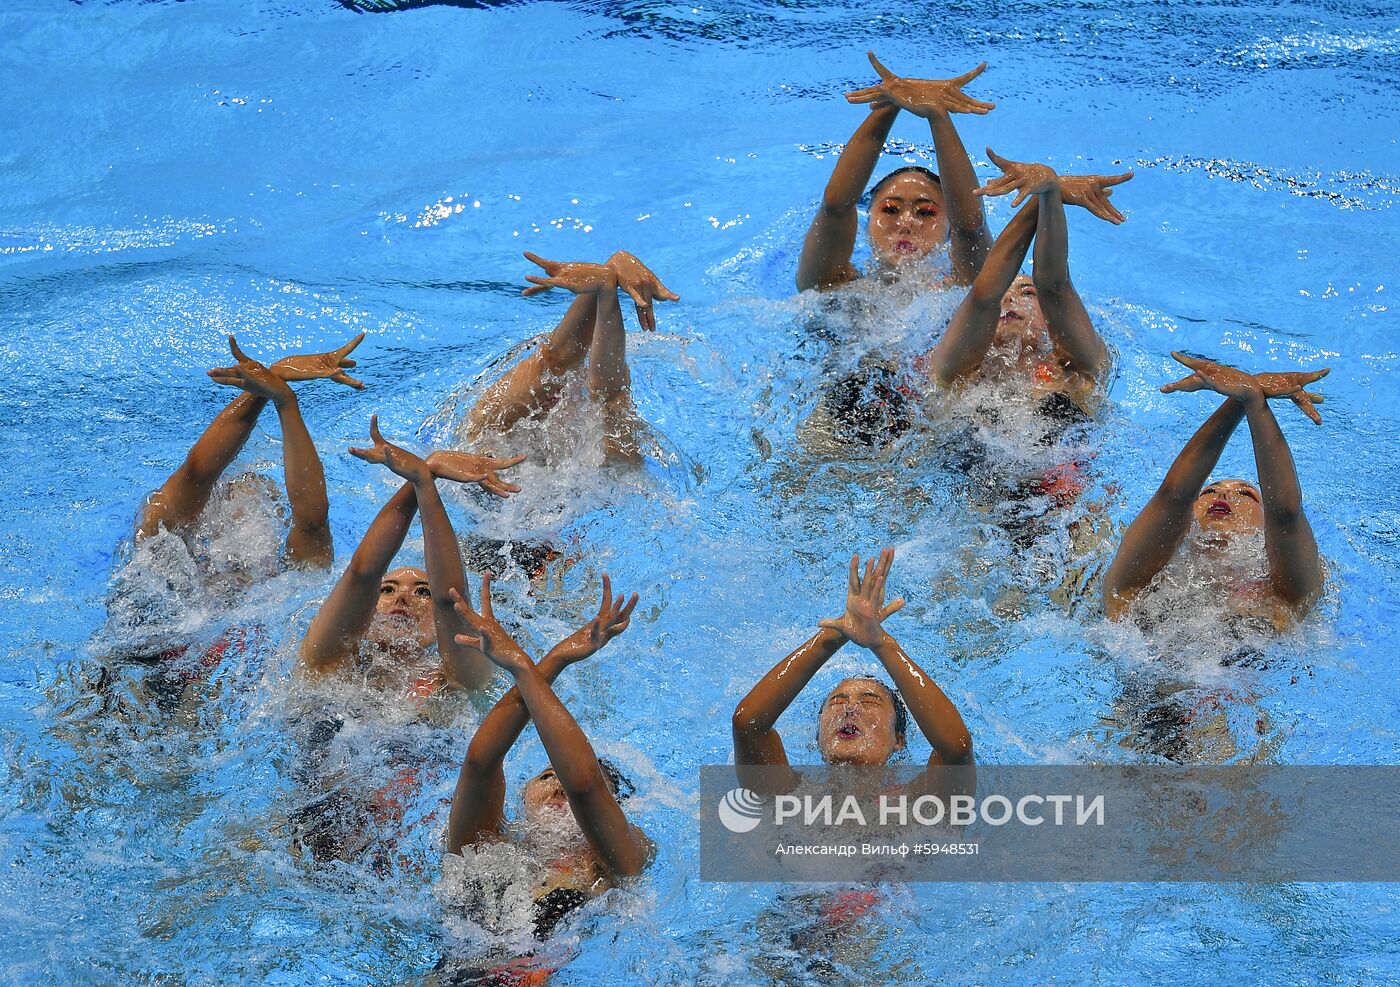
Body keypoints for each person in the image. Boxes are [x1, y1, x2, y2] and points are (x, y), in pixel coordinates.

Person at [444, 572, 647, 941]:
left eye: (562, 777)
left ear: (614, 809)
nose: (558, 788)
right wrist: (552, 660)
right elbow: (479, 765)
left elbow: (584, 785)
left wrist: (522, 664)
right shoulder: (489, 852)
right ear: (522, 796)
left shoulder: (617, 865)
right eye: (545, 777)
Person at [298, 416, 526, 695]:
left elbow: (450, 598)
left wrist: (425, 482)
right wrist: (424, 471)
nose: (402, 598)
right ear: (366, 608)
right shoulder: (329, 665)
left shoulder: (461, 681)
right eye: (386, 589)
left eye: (423, 592)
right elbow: (362, 575)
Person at [1101, 354, 1329, 630]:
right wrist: (1241, 397)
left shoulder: (1281, 598)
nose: (1222, 496)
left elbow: (1286, 511)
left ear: (1265, 525)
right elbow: (1174, 495)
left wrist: (1254, 403)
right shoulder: (1144, 582)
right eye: (1207, 491)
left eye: (1246, 495)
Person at [731, 548, 973, 795]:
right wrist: (836, 633)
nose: (850, 708)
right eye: (837, 701)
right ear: (818, 738)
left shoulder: (923, 804)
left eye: (870, 701)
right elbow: (748, 725)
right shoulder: (787, 797)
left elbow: (956, 749)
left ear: (898, 739)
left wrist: (882, 644)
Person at [923, 151, 1131, 417]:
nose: (1009, 300)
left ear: (1051, 317)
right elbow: (984, 293)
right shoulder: (954, 373)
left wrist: (1049, 192)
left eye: (1027, 293)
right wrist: (1048, 192)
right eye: (1003, 294)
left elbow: (1055, 286)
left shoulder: (1079, 372)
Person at [136, 333, 365, 573]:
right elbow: (197, 475)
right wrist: (272, 382)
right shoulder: (159, 549)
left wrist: (283, 398)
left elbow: (312, 522)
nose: (245, 523)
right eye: (235, 512)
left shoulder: (287, 582)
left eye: (264, 512)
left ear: (281, 527)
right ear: (201, 522)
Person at [797, 52, 994, 293]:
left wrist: (938, 116)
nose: (906, 222)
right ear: (867, 220)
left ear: (949, 229)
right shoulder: (831, 284)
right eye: (890, 209)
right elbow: (835, 206)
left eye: (926, 212)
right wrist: (892, 101)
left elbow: (971, 225)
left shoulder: (966, 292)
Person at [467, 250, 678, 465]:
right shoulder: (484, 438)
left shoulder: (612, 456)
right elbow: (560, 364)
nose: (559, 396)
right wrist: (605, 283)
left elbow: (604, 394)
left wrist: (605, 285)